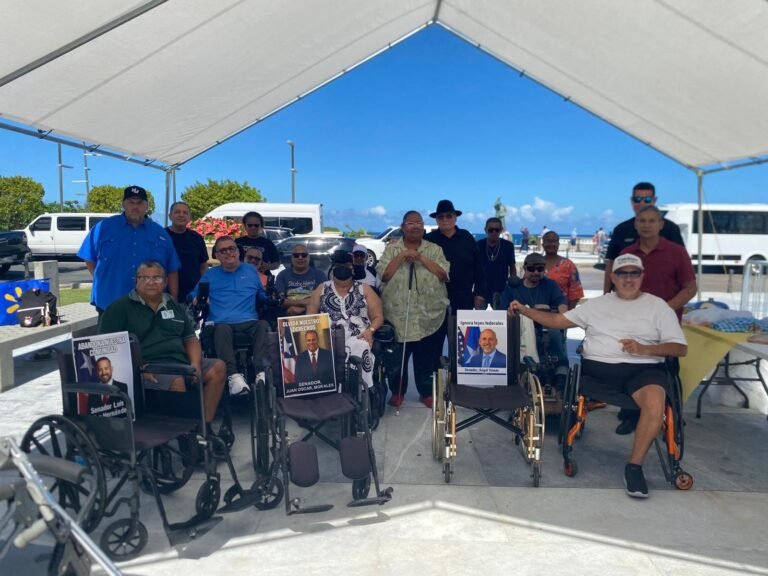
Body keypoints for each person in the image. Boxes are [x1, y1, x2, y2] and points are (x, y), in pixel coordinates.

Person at [507, 254, 687, 498]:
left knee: (655, 404)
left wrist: (646, 349)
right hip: (599, 370)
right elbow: (558, 321)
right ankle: (570, 446)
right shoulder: (597, 305)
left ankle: (634, 467)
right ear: (613, 277)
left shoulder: (658, 307)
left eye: (634, 273)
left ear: (642, 276)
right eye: (623, 273)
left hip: (644, 370)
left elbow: (679, 348)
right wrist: (525, 310)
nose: (628, 278)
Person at [99, 261, 226, 425]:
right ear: (136, 281)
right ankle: (185, 435)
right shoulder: (119, 308)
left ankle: (203, 425)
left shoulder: (173, 305)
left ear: (166, 282)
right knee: (176, 380)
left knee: (218, 368)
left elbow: (190, 338)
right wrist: (140, 366)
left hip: (180, 362)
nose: (151, 282)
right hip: (147, 368)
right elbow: (107, 347)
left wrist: (195, 364)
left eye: (157, 278)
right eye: (144, 278)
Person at [378, 210, 449, 408]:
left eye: (418, 223)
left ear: (423, 227)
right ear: (402, 227)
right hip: (398, 317)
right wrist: (401, 255)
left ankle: (425, 392)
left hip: (427, 317)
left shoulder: (435, 249)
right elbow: (384, 275)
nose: (415, 226)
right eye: (410, 223)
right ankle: (397, 392)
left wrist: (419, 258)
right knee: (396, 360)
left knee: (425, 359)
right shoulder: (391, 249)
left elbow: (443, 274)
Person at [78, 185, 180, 313]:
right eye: (131, 202)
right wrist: (104, 280)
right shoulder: (103, 228)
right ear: (123, 204)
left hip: (150, 306)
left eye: (140, 203)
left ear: (147, 206)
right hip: (110, 303)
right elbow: (89, 259)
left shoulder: (160, 234)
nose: (135, 206)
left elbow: (171, 269)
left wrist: (173, 299)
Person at [192, 236, 268, 396]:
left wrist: (270, 297)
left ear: (238, 252)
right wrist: (194, 298)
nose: (228, 253)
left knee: (263, 325)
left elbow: (261, 295)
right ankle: (234, 376)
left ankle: (261, 372)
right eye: (223, 250)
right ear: (217, 256)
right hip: (221, 323)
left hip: (249, 321)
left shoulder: (251, 271)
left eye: (231, 249)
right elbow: (193, 294)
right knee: (221, 329)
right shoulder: (210, 275)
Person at [307, 250, 384, 388]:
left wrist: (370, 331)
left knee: (361, 346)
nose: (343, 269)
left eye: (347, 266)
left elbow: (378, 316)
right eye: (339, 266)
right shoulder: (322, 288)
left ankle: (361, 391)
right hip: (327, 337)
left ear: (353, 269)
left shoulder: (364, 289)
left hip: (359, 336)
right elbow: (310, 317)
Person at [498, 252, 569, 386]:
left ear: (544, 269)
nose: (535, 272)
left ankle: (561, 369)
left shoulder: (550, 285)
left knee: (555, 333)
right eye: (531, 269)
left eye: (540, 269)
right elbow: (502, 311)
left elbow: (561, 302)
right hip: (521, 327)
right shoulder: (513, 288)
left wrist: (563, 313)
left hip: (546, 325)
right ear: (524, 269)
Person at [603, 182, 684, 294]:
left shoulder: (671, 229)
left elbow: (683, 269)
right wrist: (606, 294)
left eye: (646, 200)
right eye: (637, 199)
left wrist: (670, 306)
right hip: (628, 301)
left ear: (654, 200)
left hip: (664, 300)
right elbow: (611, 263)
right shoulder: (621, 229)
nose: (642, 203)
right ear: (632, 201)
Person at [425, 199, 486, 312]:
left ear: (455, 218)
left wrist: (479, 293)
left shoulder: (467, 237)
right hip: (434, 298)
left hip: (464, 297)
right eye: (441, 216)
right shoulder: (428, 240)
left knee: (461, 330)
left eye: (449, 216)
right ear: (436, 219)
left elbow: (479, 268)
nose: (445, 219)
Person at [165, 201, 209, 306]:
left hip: (192, 295)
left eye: (185, 213)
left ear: (189, 217)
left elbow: (203, 266)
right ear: (170, 216)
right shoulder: (162, 236)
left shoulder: (197, 238)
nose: (181, 215)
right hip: (166, 294)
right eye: (177, 212)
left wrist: (203, 289)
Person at [274, 244, 326, 316]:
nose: (300, 258)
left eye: (304, 255)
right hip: (288, 315)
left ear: (309, 257)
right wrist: (306, 303)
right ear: (291, 258)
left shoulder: (319, 275)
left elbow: (324, 300)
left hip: (314, 316)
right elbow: (280, 301)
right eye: (296, 255)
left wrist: (304, 308)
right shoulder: (282, 275)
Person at [477, 217, 516, 306]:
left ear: (501, 230)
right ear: (485, 230)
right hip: (482, 289)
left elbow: (512, 267)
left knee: (502, 318)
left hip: (502, 289)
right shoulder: (478, 245)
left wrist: (512, 287)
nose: (494, 232)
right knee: (481, 319)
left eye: (497, 230)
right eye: (491, 230)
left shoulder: (508, 246)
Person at [542, 230, 584, 310]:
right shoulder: (535, 264)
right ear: (543, 244)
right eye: (548, 241)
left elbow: (575, 293)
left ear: (558, 244)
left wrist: (567, 314)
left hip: (562, 314)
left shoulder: (568, 265)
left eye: (554, 241)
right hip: (538, 314)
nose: (551, 244)